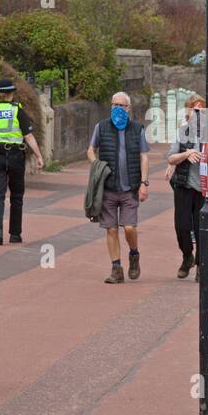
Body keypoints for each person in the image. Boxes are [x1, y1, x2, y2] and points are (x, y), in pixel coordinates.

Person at [86, 92, 150, 283]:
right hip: (108, 188)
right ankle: (116, 268)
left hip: (130, 187)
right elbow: (90, 150)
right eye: (114, 105)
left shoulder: (137, 129)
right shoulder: (101, 127)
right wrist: (97, 165)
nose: (117, 109)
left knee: (129, 228)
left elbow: (144, 156)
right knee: (111, 229)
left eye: (121, 105)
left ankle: (134, 254)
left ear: (128, 108)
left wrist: (144, 183)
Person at [0, 78, 44, 245]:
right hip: (15, 154)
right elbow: (28, 135)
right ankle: (15, 234)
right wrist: (39, 156)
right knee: (16, 195)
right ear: (11, 94)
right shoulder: (17, 110)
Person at [166, 95, 207, 280]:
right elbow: (171, 158)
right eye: (195, 110)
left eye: (202, 110)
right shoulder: (182, 132)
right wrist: (187, 153)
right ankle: (187, 256)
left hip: (204, 189)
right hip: (184, 185)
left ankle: (200, 265)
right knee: (182, 226)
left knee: (201, 228)